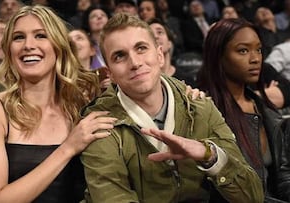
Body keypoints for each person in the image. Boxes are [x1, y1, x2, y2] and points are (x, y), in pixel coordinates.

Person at [80, 13, 263, 203]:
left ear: (160, 55)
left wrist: (209, 156)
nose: (135, 63)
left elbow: (253, 196)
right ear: (110, 74)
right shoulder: (99, 123)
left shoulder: (200, 107)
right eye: (120, 56)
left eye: (141, 48)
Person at [0, 5, 117, 202]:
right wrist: (68, 148)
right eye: (18, 37)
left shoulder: (81, 107)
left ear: (59, 46)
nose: (28, 45)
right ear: (9, 50)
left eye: (40, 35)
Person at [197, 18, 290, 201]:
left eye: (259, 50)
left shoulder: (267, 111)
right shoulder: (206, 113)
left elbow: (283, 177)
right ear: (218, 55)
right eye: (243, 50)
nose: (255, 59)